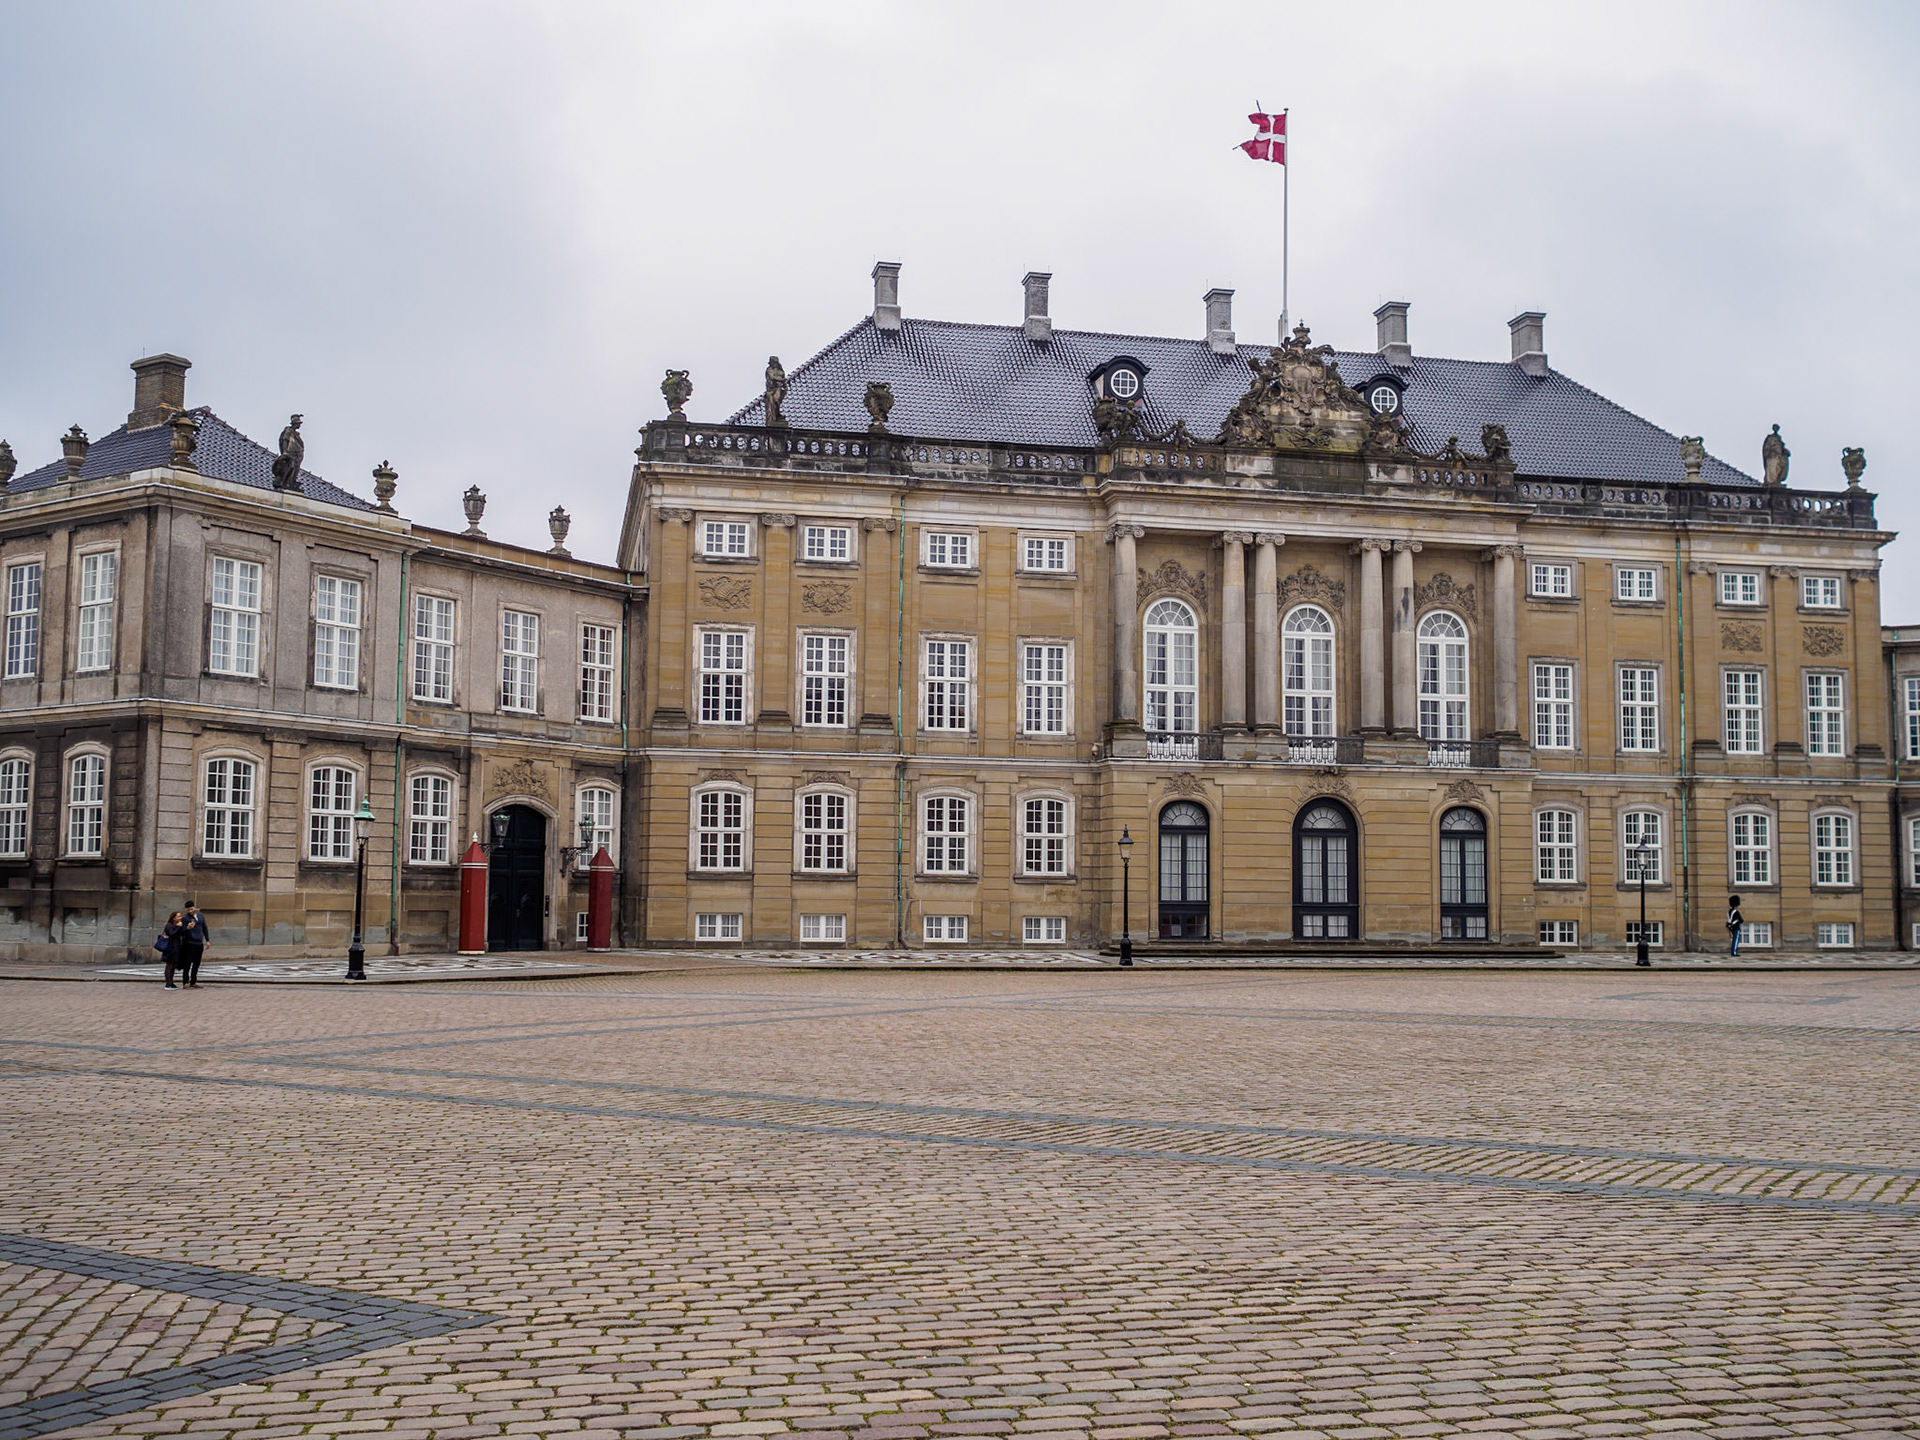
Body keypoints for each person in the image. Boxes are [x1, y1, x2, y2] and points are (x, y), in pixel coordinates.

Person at [177, 901, 209, 988]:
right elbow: (182, 931)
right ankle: (185, 981)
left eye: (191, 909)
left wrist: (207, 940)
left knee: (197, 963)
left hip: (199, 942)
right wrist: (188, 928)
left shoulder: (200, 916)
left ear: (194, 907)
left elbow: (204, 927)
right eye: (188, 910)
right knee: (187, 963)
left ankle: (193, 981)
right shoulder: (185, 918)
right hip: (190, 943)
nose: (190, 911)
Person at [157, 911, 185, 989]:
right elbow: (172, 934)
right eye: (178, 917)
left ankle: (171, 982)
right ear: (173, 918)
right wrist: (178, 927)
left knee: (173, 966)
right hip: (170, 948)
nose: (180, 918)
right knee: (169, 965)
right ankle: (168, 983)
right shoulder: (169, 926)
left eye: (180, 916)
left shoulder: (178, 925)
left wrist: (186, 927)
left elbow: (181, 934)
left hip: (176, 948)